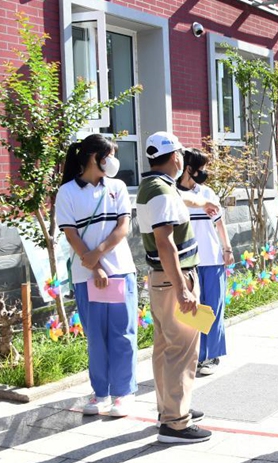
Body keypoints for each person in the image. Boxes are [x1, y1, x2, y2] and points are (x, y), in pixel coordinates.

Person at [137, 131, 218, 444]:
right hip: (175, 278)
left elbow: (177, 198)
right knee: (182, 351)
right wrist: (183, 288)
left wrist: (202, 201)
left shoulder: (153, 186)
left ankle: (169, 408)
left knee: (165, 348)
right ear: (176, 158)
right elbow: (165, 241)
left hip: (163, 280)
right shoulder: (161, 191)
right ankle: (175, 423)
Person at [55, 134, 138, 417]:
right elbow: (71, 234)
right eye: (110, 154)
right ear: (95, 157)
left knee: (122, 334)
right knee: (96, 337)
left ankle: (123, 394)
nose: (114, 160)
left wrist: (98, 255)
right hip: (86, 276)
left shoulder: (117, 186)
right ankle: (100, 393)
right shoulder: (66, 192)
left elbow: (123, 227)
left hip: (120, 272)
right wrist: (95, 266)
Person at [177, 149, 235, 376]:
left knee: (214, 307)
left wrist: (227, 248)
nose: (203, 172)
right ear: (186, 167)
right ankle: (196, 355)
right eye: (198, 167)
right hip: (186, 262)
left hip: (211, 259)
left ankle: (212, 355)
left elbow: (219, 224)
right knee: (192, 310)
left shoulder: (207, 192)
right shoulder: (172, 193)